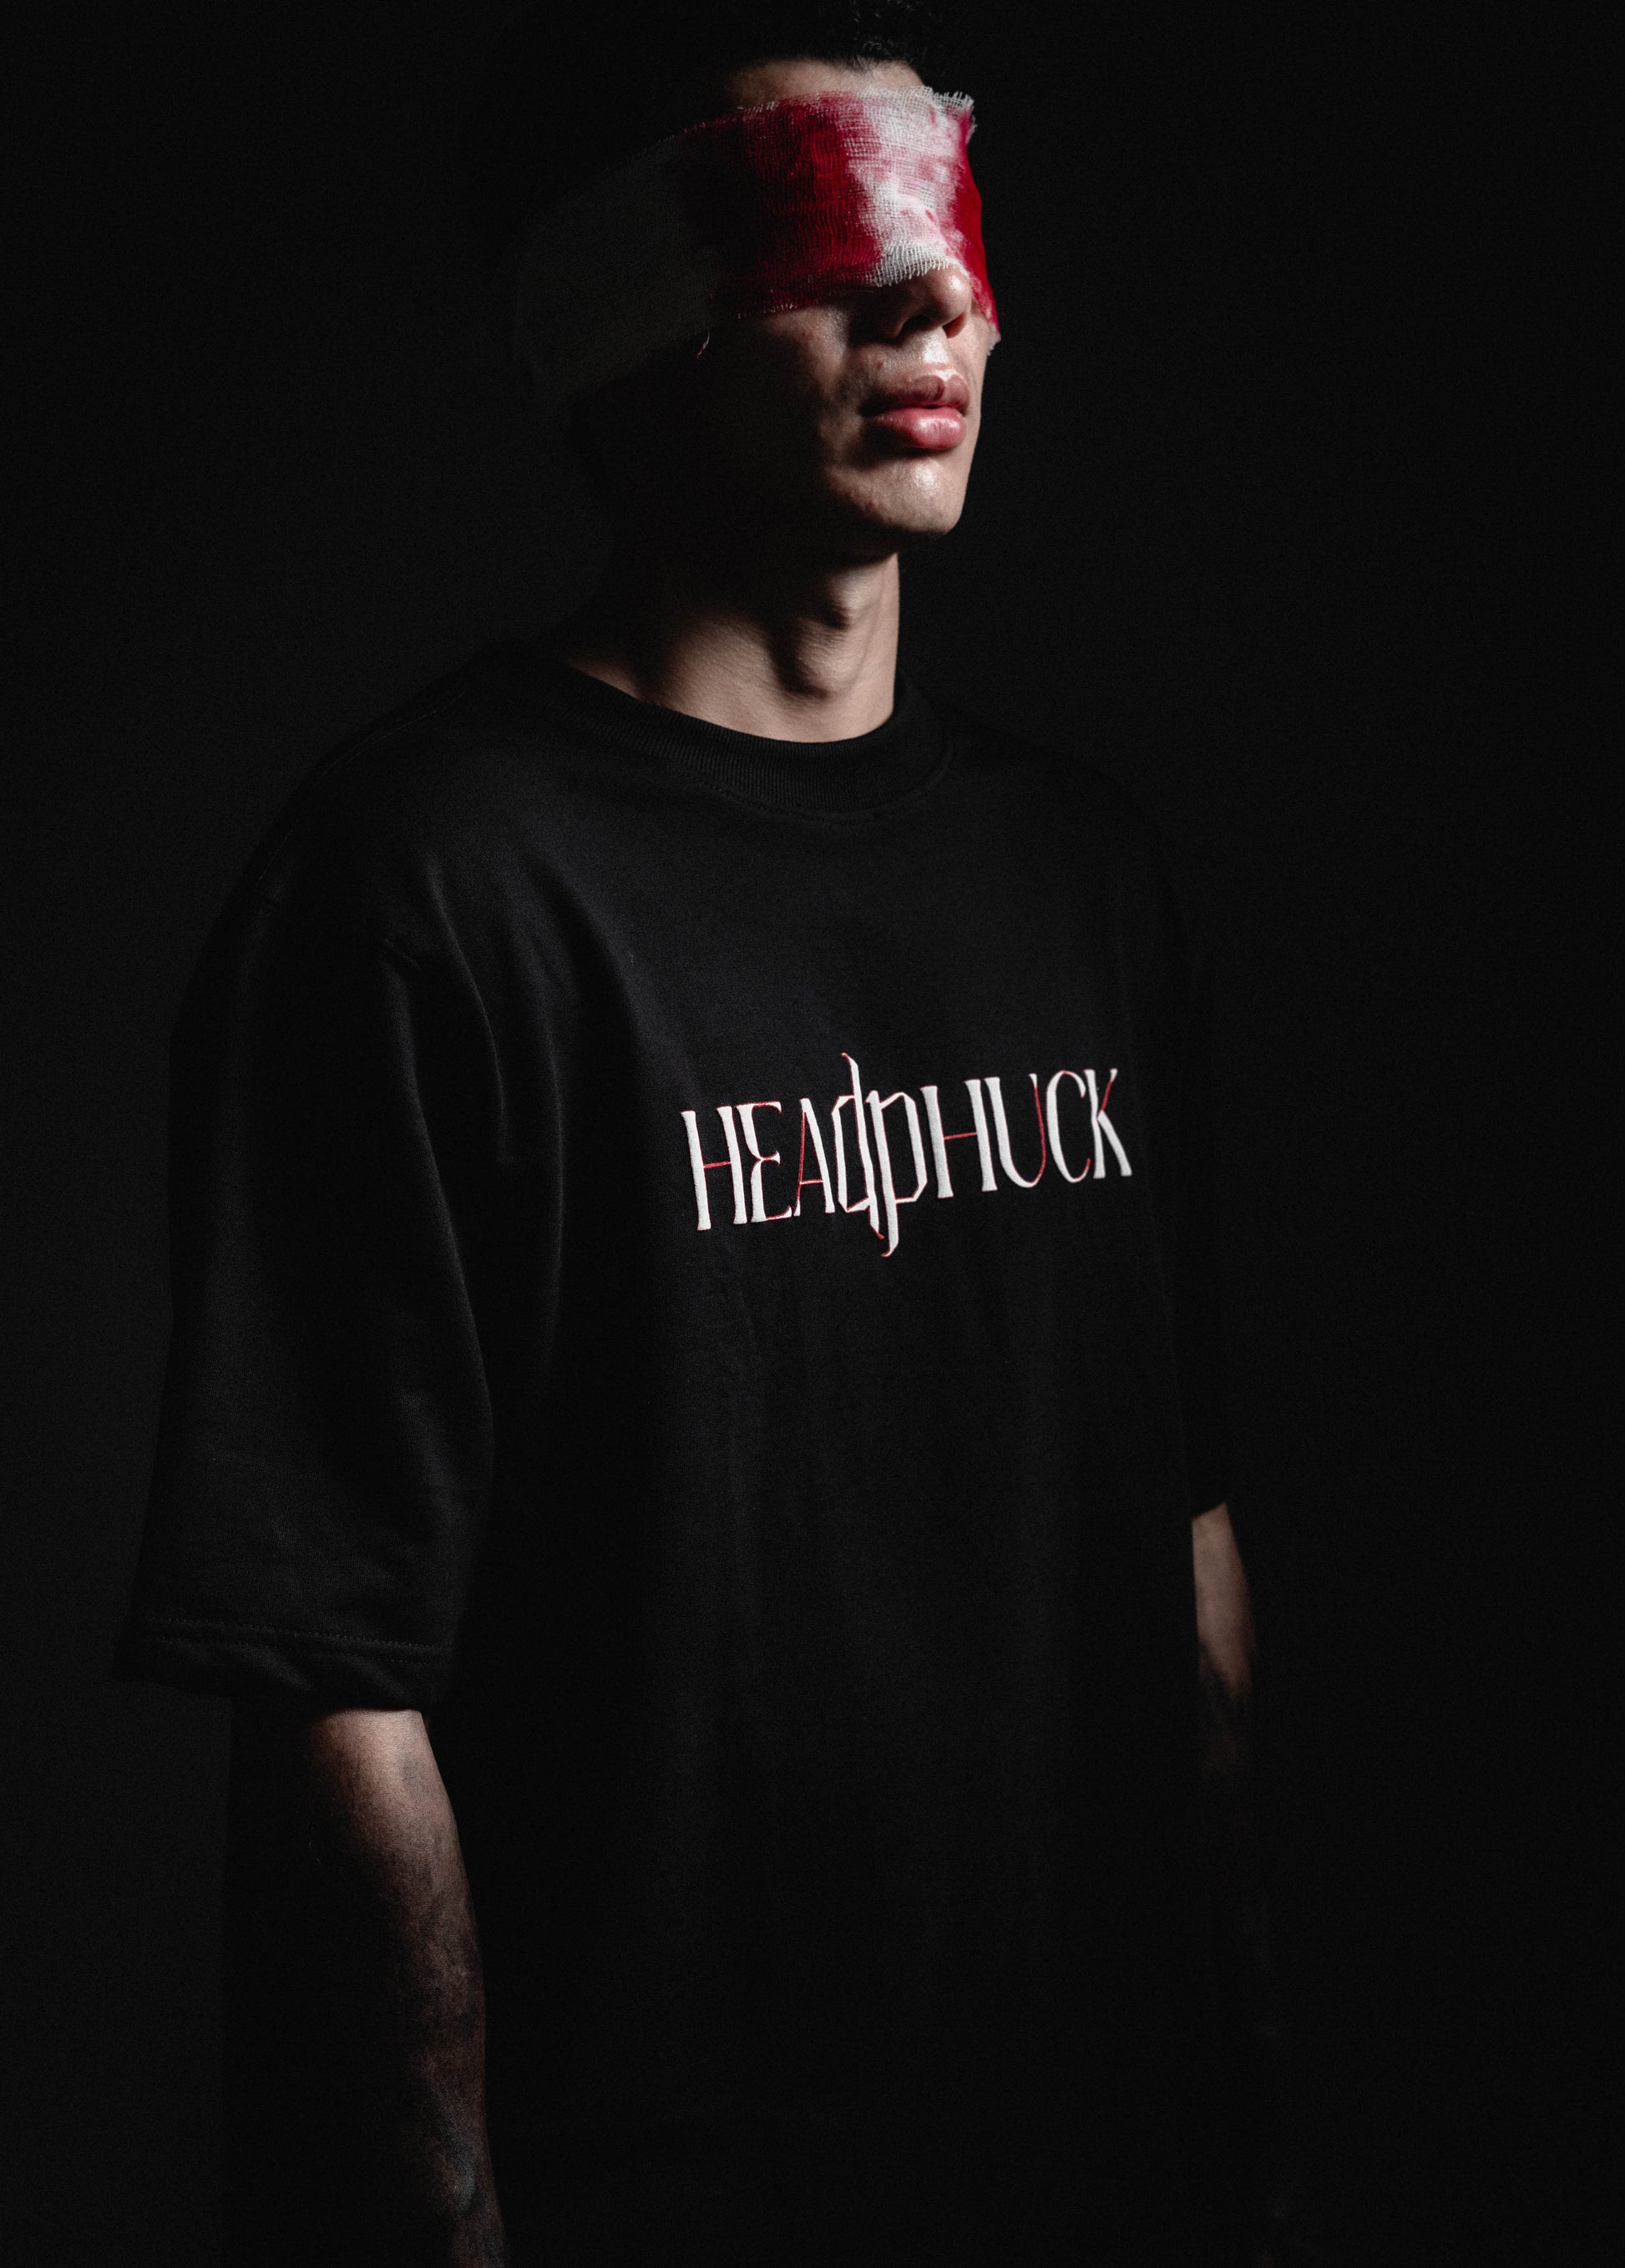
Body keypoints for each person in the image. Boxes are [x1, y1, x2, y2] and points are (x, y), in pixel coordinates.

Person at [114, 5, 1316, 2262]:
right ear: (614, 309)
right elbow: (344, 1688)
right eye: (819, 231)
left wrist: (1254, 2144)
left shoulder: (1082, 879)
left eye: (951, 220)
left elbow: (1184, 1539)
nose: (931, 298)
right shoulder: (422, 888)